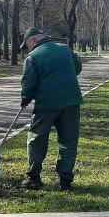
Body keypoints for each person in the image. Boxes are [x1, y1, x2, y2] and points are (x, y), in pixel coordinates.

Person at [20, 27, 83, 191]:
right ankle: (65, 182)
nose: (27, 48)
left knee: (36, 139)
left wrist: (25, 99)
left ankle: (33, 178)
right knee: (68, 142)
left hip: (46, 105)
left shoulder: (32, 57)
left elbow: (28, 83)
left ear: (33, 40)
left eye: (26, 45)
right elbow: (77, 69)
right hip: (71, 102)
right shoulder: (65, 50)